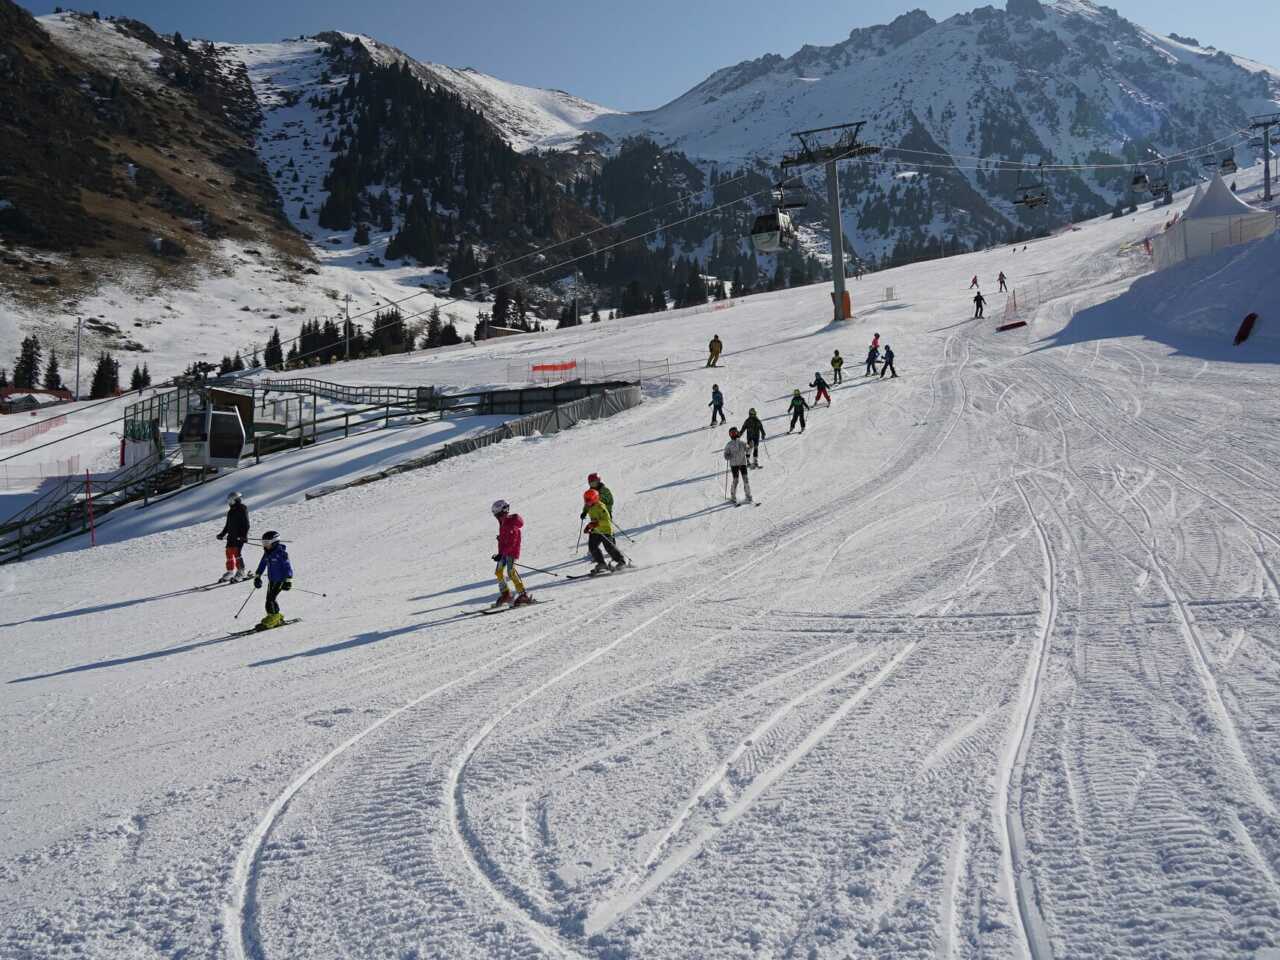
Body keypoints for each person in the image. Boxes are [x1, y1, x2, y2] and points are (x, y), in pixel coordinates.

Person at [490, 499, 532, 606]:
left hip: (512, 552)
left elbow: (512, 543)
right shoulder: (503, 523)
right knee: (498, 572)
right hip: (504, 553)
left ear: (504, 512)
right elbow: (503, 542)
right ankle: (506, 594)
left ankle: (523, 595)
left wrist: (501, 554)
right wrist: (499, 553)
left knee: (511, 571)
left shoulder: (511, 524)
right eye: (497, 516)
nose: (498, 518)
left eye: (499, 515)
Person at [252, 531, 293, 630]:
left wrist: (288, 581)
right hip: (272, 580)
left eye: (267, 543)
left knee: (271, 599)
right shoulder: (267, 553)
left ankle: (274, 618)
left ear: (274, 542)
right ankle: (274, 616)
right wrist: (257, 577)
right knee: (269, 599)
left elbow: (287, 568)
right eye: (263, 543)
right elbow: (262, 565)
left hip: (281, 580)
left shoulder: (281, 554)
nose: (265, 545)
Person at [583, 488, 627, 574]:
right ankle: (601, 563)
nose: (587, 502)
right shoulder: (589, 507)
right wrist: (589, 526)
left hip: (605, 530)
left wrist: (596, 524)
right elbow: (593, 519)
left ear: (595, 499)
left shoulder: (601, 507)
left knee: (609, 547)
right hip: (596, 531)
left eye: (589, 500)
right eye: (586, 500)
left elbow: (607, 521)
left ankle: (621, 561)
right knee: (592, 547)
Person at [216, 491, 250, 583]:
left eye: (231, 501)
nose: (229, 503)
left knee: (237, 554)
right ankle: (230, 572)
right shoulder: (231, 512)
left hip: (239, 537)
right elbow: (228, 525)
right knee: (229, 553)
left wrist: (244, 536)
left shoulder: (242, 509)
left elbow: (246, 524)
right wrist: (222, 534)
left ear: (235, 500)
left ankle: (241, 572)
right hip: (231, 537)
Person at [723, 427, 752, 504]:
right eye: (732, 433)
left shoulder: (741, 443)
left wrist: (750, 447)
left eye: (734, 432)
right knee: (738, 480)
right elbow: (726, 454)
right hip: (735, 464)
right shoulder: (730, 445)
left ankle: (747, 495)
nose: (734, 434)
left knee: (743, 479)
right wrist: (727, 456)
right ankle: (735, 496)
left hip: (741, 463)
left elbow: (748, 450)